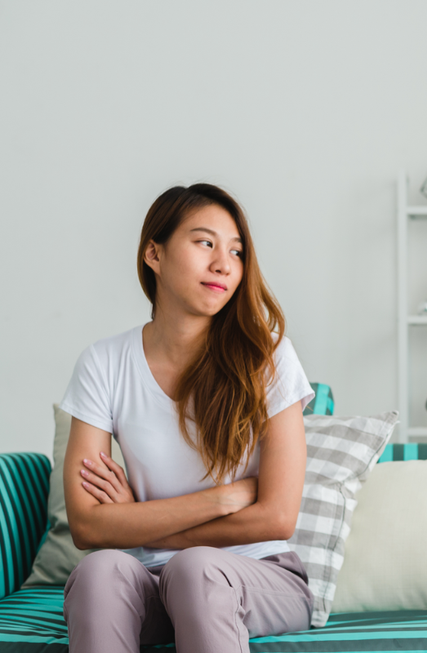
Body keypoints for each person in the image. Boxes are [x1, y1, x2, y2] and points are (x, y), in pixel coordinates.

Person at [61, 184, 315, 652]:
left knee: (195, 568)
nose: (223, 264)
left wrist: (137, 521)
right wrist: (222, 499)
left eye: (236, 251)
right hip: (151, 579)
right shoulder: (104, 362)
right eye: (204, 243)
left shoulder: (268, 356)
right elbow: (89, 526)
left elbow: (277, 517)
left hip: (259, 575)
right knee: (98, 570)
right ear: (153, 254)